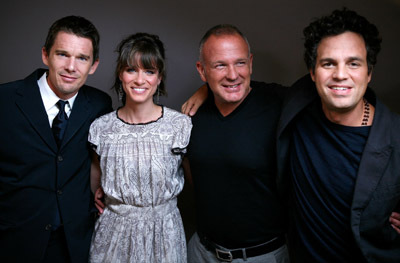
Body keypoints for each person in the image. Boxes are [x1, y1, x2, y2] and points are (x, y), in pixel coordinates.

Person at [276, 8, 400, 262]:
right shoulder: (296, 105)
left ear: (369, 72)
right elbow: (240, 84)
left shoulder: (395, 137)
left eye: (353, 63)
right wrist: (206, 91)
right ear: (312, 73)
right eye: (328, 63)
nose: (340, 74)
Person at [0, 16, 112, 262]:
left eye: (82, 58)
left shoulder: (99, 104)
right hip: (13, 242)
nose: (72, 67)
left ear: (93, 65)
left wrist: (203, 94)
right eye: (62, 54)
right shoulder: (5, 100)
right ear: (45, 55)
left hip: (73, 244)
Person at [183, 24, 290, 263]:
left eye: (240, 63)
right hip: (202, 253)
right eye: (220, 65)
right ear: (202, 70)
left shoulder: (279, 105)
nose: (232, 74)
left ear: (251, 63)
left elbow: (324, 91)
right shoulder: (191, 116)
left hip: (262, 256)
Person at [88, 33, 192, 263]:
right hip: (113, 235)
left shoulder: (180, 126)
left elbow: (199, 188)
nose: (140, 80)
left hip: (164, 235)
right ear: (120, 74)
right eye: (131, 70)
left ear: (159, 78)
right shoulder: (101, 129)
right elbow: (94, 189)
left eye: (149, 71)